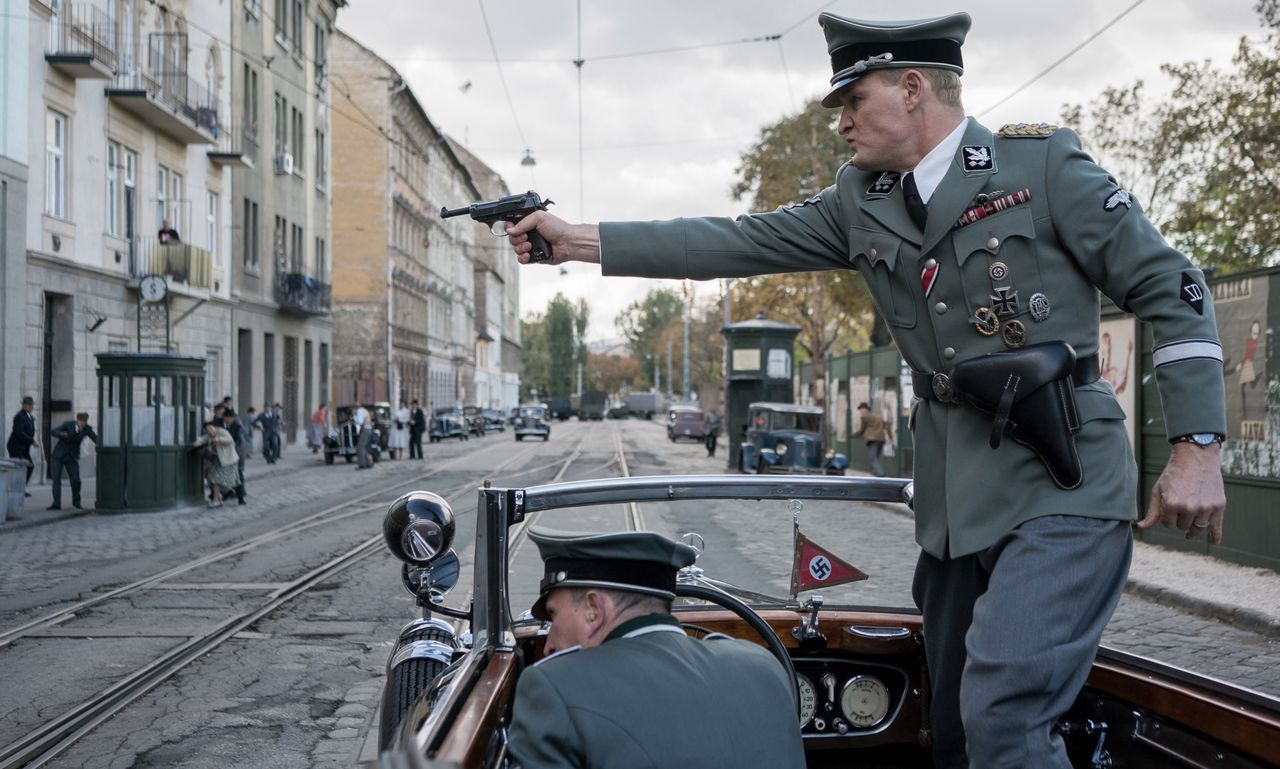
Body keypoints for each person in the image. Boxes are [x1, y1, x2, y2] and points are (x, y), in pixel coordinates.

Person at [504, 12, 1227, 768]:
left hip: (1063, 483)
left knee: (1004, 714)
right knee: (949, 726)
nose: (842, 122)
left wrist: (1198, 445)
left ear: (913, 89)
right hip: (956, 502)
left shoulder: (1040, 168)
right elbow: (733, 239)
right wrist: (576, 240)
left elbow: (1173, 285)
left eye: (854, 101)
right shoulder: (861, 199)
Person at [507, 527, 805, 769]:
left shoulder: (554, 687)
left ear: (593, 610)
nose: (549, 645)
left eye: (554, 616)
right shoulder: (763, 667)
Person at [48, 412, 98, 510]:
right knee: (56, 479)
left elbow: (95, 438)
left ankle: (76, 502)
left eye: (85, 421)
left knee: (76, 480)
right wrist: (61, 434)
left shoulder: (87, 429)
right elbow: (53, 431)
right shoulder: (68, 424)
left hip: (72, 457)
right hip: (59, 455)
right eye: (81, 421)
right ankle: (56, 503)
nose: (83, 423)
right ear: (77, 420)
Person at [194, 421, 238, 508]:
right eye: (207, 430)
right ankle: (217, 499)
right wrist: (198, 440)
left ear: (215, 427)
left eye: (211, 428)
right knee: (212, 479)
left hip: (228, 460)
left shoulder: (222, 432)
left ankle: (218, 499)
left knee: (216, 479)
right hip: (218, 460)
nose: (209, 431)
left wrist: (218, 439)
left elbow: (230, 440)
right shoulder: (209, 435)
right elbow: (204, 438)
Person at [6, 395, 38, 495]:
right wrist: (32, 441)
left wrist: (30, 441)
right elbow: (19, 432)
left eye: (32, 405)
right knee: (20, 467)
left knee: (29, 466)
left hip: (23, 447)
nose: (31, 407)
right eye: (29, 405)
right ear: (24, 405)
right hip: (16, 447)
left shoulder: (30, 417)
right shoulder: (19, 417)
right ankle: (16, 489)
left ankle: (21, 488)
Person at [853, 402, 889, 477]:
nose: (861, 412)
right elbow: (886, 426)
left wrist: (855, 434)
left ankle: (880, 474)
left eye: (862, 410)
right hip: (881, 439)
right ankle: (875, 474)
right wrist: (891, 437)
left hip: (872, 440)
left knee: (873, 458)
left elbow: (862, 430)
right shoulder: (878, 417)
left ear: (866, 410)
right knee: (876, 457)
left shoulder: (865, 417)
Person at [220, 408, 247, 504]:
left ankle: (241, 497)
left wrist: (231, 448)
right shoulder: (219, 424)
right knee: (220, 475)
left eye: (232, 418)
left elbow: (239, 441)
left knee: (238, 475)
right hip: (222, 454)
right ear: (224, 417)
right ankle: (225, 493)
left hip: (236, 454)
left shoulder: (237, 426)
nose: (230, 419)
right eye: (228, 418)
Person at [353, 404, 372, 469]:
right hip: (368, 429)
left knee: (360, 447)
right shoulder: (364, 410)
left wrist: (354, 416)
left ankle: (362, 464)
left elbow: (360, 422)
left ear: (354, 409)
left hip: (365, 429)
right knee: (364, 447)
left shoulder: (359, 411)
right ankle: (368, 463)